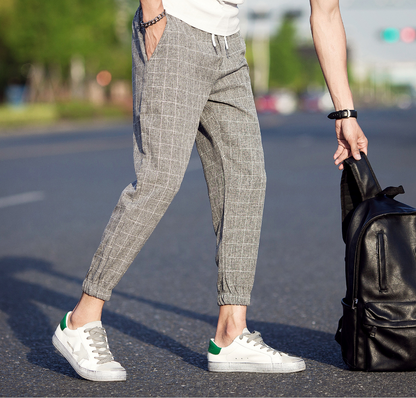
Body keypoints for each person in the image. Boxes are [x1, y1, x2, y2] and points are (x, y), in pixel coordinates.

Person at [52, 0, 368, 382]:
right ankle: (81, 320)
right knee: (160, 178)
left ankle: (231, 332)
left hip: (229, 46)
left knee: (246, 178)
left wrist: (346, 113)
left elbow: (327, 13)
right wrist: (153, 15)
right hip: (175, 28)